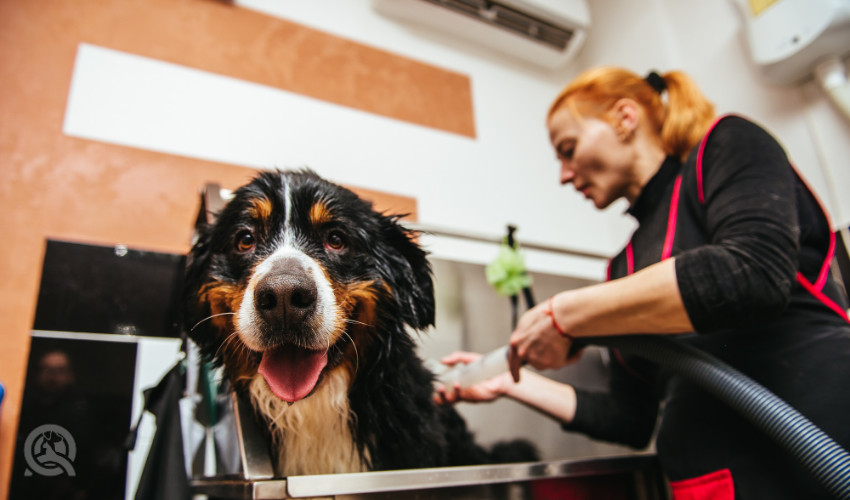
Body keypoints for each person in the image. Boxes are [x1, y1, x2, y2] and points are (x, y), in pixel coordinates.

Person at [436, 66, 850, 500]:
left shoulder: (725, 146)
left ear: (624, 117)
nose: (562, 174)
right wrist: (510, 382)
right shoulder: (622, 269)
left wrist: (565, 314)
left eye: (568, 148)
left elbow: (751, 272)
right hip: (709, 482)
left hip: (816, 448)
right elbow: (630, 419)